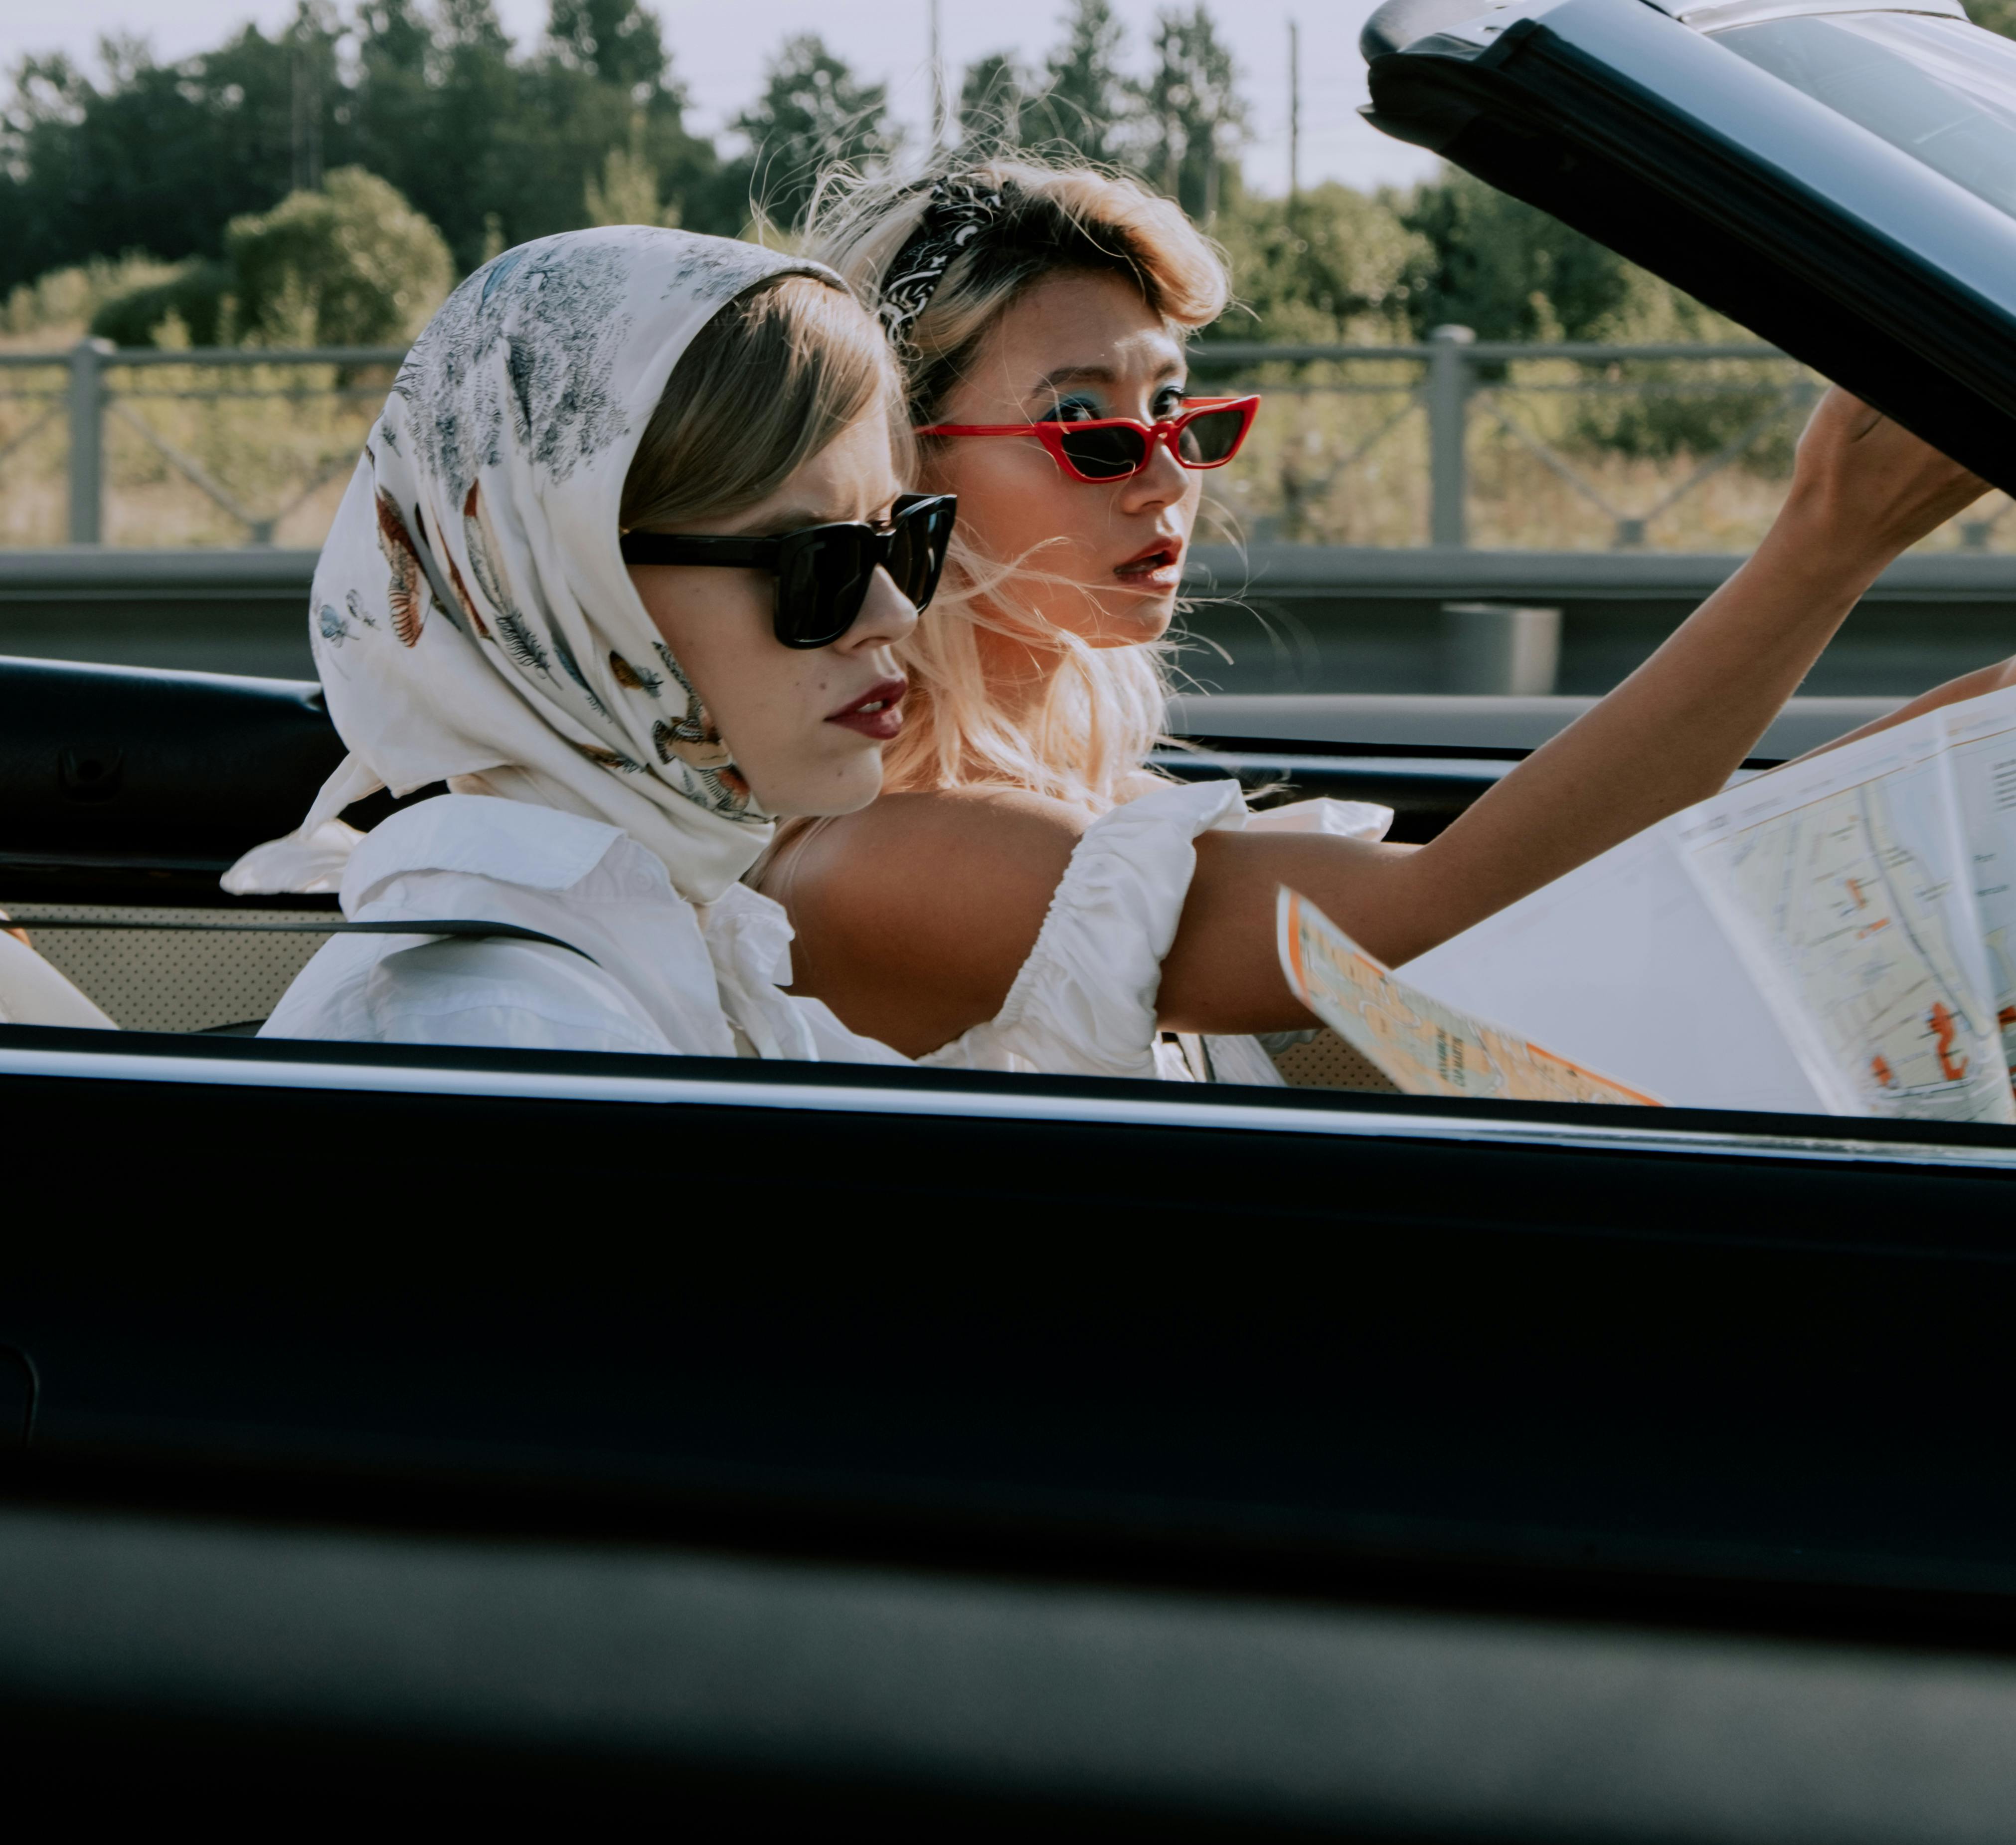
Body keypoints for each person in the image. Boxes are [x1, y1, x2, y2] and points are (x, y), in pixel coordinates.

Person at [755, 162, 1992, 1079]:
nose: (1170, 475)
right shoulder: (899, 851)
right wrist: (1830, 542)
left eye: (1181, 414)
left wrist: (1929, 757)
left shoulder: (1086, 805)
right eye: (1087, 426)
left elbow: (1406, 1013)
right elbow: (1445, 911)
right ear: (904, 463)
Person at [242, 226, 951, 1060]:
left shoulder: (661, 944)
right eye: (815, 562)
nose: (895, 610)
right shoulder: (506, 1026)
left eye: (897, 540)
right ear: (566, 581)